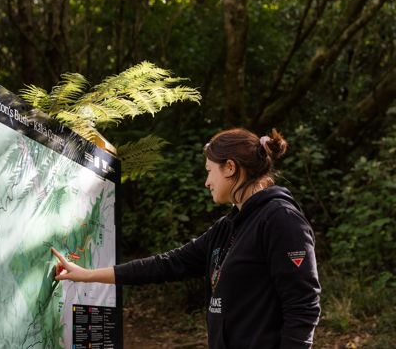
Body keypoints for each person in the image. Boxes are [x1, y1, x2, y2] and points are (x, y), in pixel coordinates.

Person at [51, 128, 321, 349]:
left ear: (229, 167)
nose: (207, 182)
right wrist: (85, 274)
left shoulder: (281, 220)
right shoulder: (227, 227)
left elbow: (303, 305)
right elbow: (166, 264)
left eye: (208, 170)